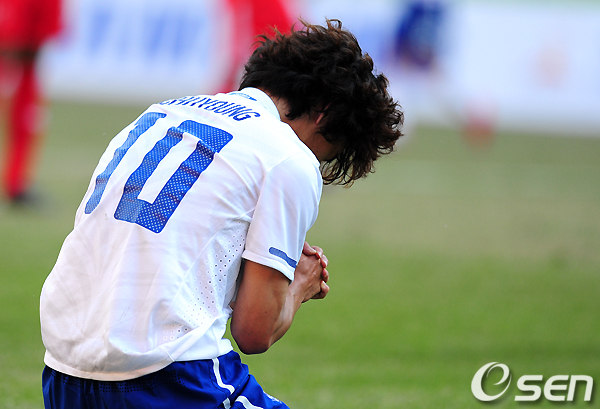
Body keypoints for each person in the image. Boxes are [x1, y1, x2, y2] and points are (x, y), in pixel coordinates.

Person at [40, 19, 403, 408]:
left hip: (63, 371)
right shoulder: (289, 158)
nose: (315, 160)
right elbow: (254, 332)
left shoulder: (159, 113)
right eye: (327, 151)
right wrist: (301, 285)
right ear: (324, 114)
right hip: (168, 375)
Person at [0, 0, 62, 204]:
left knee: (26, 123)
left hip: (24, 62)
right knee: (25, 122)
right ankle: (15, 184)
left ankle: (16, 182)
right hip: (19, 61)